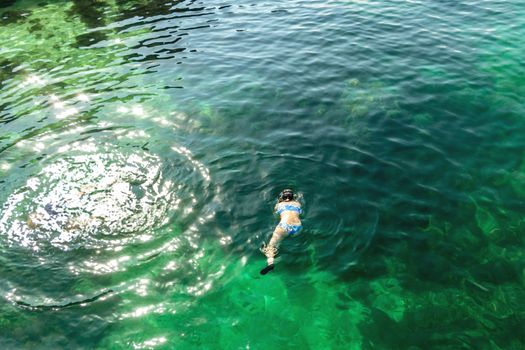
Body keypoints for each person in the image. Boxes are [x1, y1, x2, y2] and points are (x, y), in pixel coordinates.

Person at [260, 189, 303, 275]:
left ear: (282, 197)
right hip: (298, 227)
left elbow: (276, 216)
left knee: (271, 246)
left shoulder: (279, 205)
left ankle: (270, 263)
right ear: (292, 197)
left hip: (284, 226)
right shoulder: (298, 204)